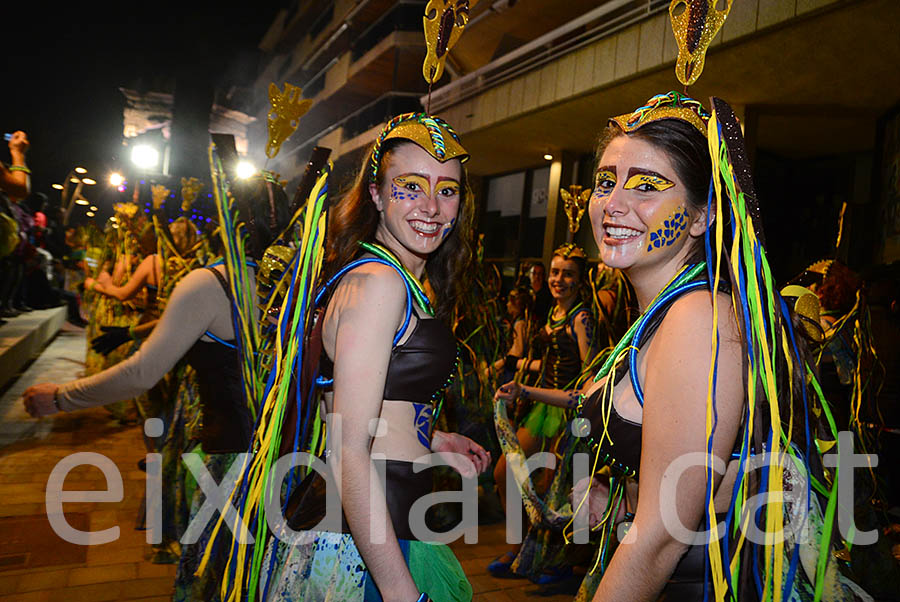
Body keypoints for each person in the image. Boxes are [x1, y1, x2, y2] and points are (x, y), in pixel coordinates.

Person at [495, 92, 868, 600]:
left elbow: (663, 536)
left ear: (700, 217)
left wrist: (640, 518)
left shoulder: (699, 319)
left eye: (646, 185)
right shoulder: (659, 314)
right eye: (606, 181)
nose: (614, 203)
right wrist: (620, 494)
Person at [244, 113, 490, 602]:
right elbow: (347, 450)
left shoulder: (389, 278)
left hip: (387, 521)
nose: (432, 206)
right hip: (368, 542)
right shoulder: (380, 283)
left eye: (448, 190)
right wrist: (403, 596)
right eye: (410, 186)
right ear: (376, 195)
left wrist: (433, 438)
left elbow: (348, 403)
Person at [22, 172, 291, 599]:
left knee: (217, 579)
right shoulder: (305, 281)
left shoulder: (209, 283)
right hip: (287, 464)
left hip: (223, 463)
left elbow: (141, 374)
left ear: (225, 221)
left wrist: (58, 399)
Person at [488, 243, 595, 578]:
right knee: (506, 469)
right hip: (541, 409)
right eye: (554, 272)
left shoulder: (582, 317)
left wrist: (528, 389)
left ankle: (570, 561)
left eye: (567, 274)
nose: (558, 279)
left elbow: (589, 381)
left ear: (580, 280)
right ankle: (517, 547)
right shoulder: (552, 313)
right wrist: (515, 373)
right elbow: (549, 362)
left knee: (561, 488)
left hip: (571, 414)